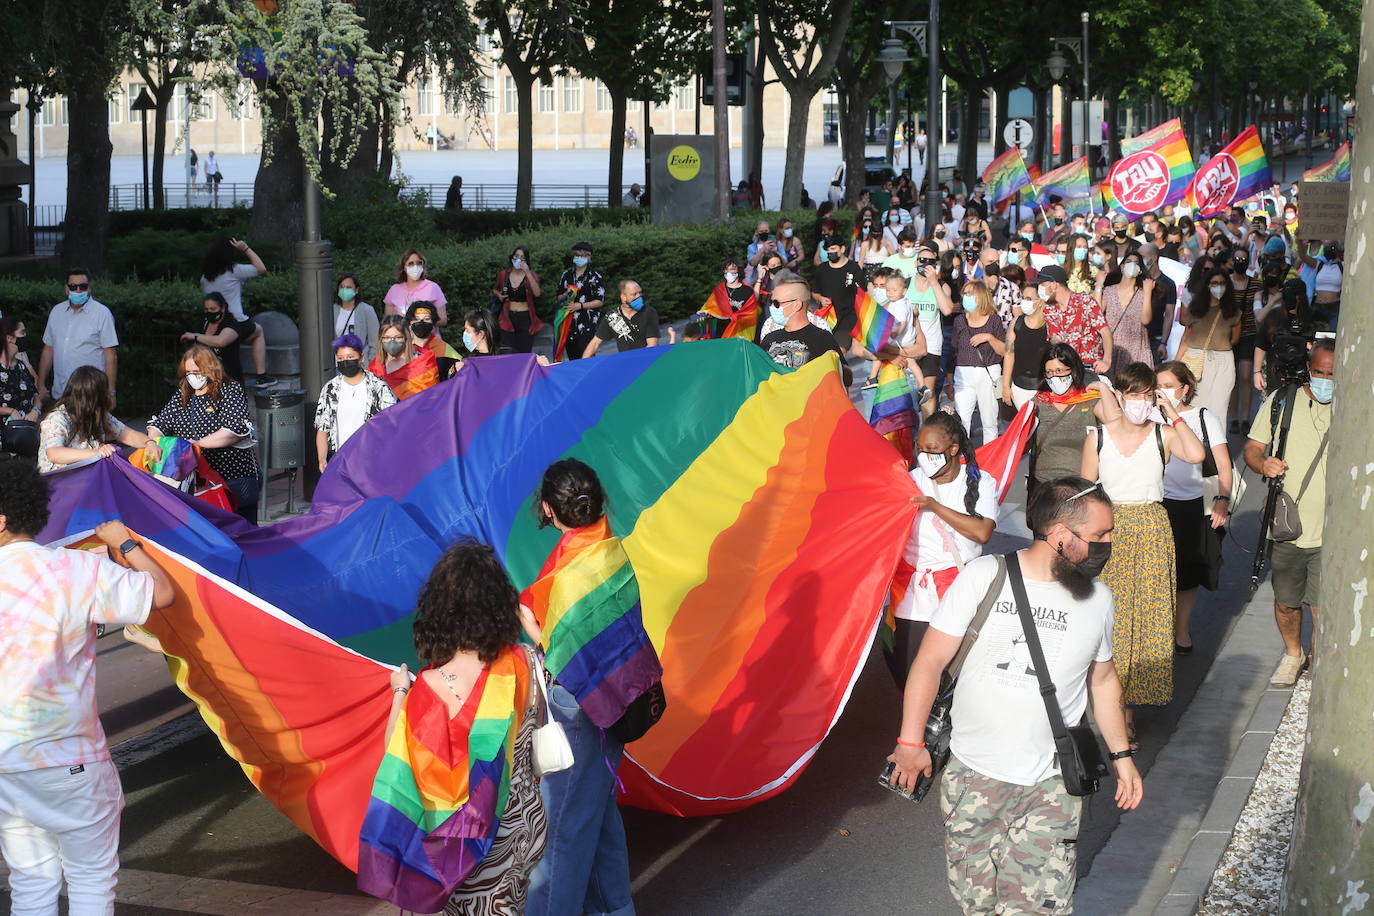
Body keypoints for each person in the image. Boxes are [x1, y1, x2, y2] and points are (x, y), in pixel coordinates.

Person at [887, 477, 1143, 914]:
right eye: (1100, 535)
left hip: (1053, 785)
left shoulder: (1099, 599)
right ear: (1061, 536)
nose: (1109, 543)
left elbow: (1102, 681)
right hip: (973, 779)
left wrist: (1122, 756)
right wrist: (910, 744)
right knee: (978, 903)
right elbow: (928, 662)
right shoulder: (984, 576)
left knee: (1040, 907)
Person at [0, 465, 175, 916]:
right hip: (72, 760)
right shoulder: (76, 569)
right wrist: (123, 542)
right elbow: (162, 594)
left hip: (7, 765)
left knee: (31, 884)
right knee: (92, 879)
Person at [366, 540, 545, 913]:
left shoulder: (428, 688)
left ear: (441, 612)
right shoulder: (525, 663)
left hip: (460, 847)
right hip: (520, 829)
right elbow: (540, 724)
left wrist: (400, 691)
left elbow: (394, 758)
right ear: (498, 605)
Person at [524, 460, 659, 916]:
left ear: (548, 509)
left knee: (562, 830)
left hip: (578, 706)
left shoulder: (568, 574)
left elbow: (563, 650)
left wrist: (534, 630)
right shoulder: (608, 550)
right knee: (597, 818)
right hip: (615, 701)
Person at [1081, 362, 1205, 741]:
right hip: (1110, 529)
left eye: (1146, 395)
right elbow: (1085, 494)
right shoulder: (1097, 438)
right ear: (1119, 395)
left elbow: (1197, 455)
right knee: (1109, 621)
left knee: (1144, 620)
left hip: (1151, 529)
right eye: (1132, 395)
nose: (1139, 402)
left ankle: (1126, 711)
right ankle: (1107, 702)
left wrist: (1171, 412)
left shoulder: (1162, 435)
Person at [1243, 341, 1334, 688]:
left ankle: (1321, 663)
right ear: (1309, 369)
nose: (1327, 380)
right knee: (1286, 600)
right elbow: (1252, 447)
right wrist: (1262, 463)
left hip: (1333, 529)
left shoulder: (1355, 403)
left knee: (1322, 604)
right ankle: (1294, 654)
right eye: (1321, 373)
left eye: (1334, 375)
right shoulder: (1283, 401)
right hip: (1289, 524)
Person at [887, 411, 997, 685]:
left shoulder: (981, 482)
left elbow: (982, 532)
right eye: (920, 449)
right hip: (911, 593)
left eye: (932, 450)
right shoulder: (908, 480)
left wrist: (934, 507)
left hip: (957, 590)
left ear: (953, 449)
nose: (924, 456)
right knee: (908, 671)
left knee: (953, 673)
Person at [1155, 362, 1232, 654]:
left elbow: (1224, 464)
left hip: (1192, 505)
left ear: (1184, 388)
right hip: (1156, 502)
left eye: (1167, 385)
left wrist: (1222, 500)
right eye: (1157, 385)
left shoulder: (1203, 417)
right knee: (1158, 570)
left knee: (1187, 572)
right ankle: (1160, 628)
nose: (1161, 391)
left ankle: (1181, 630)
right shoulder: (1146, 414)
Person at [147, 346, 261, 524]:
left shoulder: (229, 389)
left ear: (210, 368)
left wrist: (198, 444)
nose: (193, 377)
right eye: (188, 372)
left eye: (197, 371)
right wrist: (152, 442)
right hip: (198, 480)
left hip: (232, 474)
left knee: (242, 530)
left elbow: (235, 429)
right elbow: (160, 423)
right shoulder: (184, 393)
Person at [1028, 344, 1120, 498]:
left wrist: (1103, 389)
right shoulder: (1038, 403)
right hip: (1045, 486)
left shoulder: (1089, 400)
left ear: (1074, 370)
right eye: (1049, 372)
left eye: (1059, 371)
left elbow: (1117, 424)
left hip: (1081, 488)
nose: (1054, 377)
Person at [37, 366, 157, 473]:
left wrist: (149, 443)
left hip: (87, 477)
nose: (108, 395)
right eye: (104, 392)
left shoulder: (97, 414)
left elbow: (126, 434)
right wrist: (97, 453)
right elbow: (54, 453)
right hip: (58, 482)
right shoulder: (57, 419)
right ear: (92, 397)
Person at [313, 334, 396, 472]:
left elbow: (392, 424)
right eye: (340, 358)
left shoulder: (379, 387)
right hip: (340, 461)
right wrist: (322, 458)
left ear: (361, 358)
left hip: (372, 461)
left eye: (350, 357)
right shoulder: (330, 389)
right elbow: (322, 429)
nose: (345, 362)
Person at [36, 267, 118, 404]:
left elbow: (111, 355)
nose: (78, 290)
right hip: (61, 393)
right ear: (66, 289)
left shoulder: (102, 314)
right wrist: (40, 383)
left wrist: (111, 391)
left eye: (83, 286)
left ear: (89, 288)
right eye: (73, 286)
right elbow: (48, 349)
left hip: (91, 393)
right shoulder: (57, 312)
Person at [1173, 268, 1242, 427]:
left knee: (1219, 409)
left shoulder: (1233, 312)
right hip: (1195, 360)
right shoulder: (1196, 309)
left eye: (1223, 283)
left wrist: (1217, 347)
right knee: (1194, 405)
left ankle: (1215, 449)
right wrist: (1176, 363)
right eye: (1215, 283)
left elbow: (1235, 339)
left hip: (1223, 362)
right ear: (1207, 285)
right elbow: (1186, 338)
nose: (1219, 286)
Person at [198, 238, 271, 385]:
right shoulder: (234, 270)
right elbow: (261, 268)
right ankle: (261, 376)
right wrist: (245, 248)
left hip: (215, 325)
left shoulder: (204, 279)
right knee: (258, 332)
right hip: (236, 322)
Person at [760, 278, 851, 385]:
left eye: (776, 303)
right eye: (770, 302)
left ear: (796, 305)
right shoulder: (768, 338)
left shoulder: (821, 338)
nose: (771, 307)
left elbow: (847, 380)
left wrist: (834, 363)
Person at [951, 282, 1006, 446]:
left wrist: (989, 337)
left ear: (981, 296)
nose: (965, 297)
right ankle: (963, 459)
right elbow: (954, 349)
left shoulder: (994, 320)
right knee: (961, 421)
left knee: (989, 420)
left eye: (970, 293)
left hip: (988, 373)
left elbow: (1004, 350)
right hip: (963, 373)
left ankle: (990, 461)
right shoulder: (960, 320)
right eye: (964, 293)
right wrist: (948, 378)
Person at [1037, 265, 1113, 374]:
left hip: (1090, 370)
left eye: (1042, 284)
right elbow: (1055, 339)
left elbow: (1105, 332)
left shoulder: (1086, 301)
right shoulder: (1049, 309)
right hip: (1066, 372)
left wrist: (1106, 360)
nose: (1039, 288)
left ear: (1054, 285)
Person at [180, 292, 258, 382]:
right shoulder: (204, 323)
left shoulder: (232, 324)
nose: (209, 312)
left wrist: (196, 337)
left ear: (223, 308)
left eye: (213, 309)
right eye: (206, 309)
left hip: (228, 378)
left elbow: (221, 341)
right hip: (205, 378)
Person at [1101, 251, 1155, 375]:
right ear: (1122, 266)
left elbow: (1145, 320)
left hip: (1137, 351)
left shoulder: (1143, 293)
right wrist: (1099, 285)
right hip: (1113, 349)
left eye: (1136, 264)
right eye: (1129, 262)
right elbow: (1097, 314)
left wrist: (1148, 292)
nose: (1132, 266)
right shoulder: (1109, 291)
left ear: (1140, 270)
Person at [367, 315, 439, 401]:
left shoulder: (424, 363)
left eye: (398, 337)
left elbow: (430, 400)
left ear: (406, 337)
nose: (392, 342)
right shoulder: (375, 367)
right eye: (386, 338)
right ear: (380, 339)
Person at [1001, 284, 1049, 410]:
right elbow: (1009, 354)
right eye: (1023, 298)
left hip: (1044, 388)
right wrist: (1006, 386)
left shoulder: (1050, 324)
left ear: (1040, 301)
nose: (1024, 302)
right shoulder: (1016, 322)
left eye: (1028, 299)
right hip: (1019, 388)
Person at [581, 281, 660, 357]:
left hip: (648, 360)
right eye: (634, 294)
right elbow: (595, 343)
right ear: (623, 297)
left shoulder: (648, 312)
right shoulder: (612, 317)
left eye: (640, 292)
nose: (639, 296)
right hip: (627, 362)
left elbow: (652, 345)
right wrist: (583, 364)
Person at [813, 234, 866, 345]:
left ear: (842, 249)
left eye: (833, 249)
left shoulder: (853, 268)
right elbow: (814, 293)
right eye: (828, 250)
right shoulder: (821, 269)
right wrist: (821, 299)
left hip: (848, 317)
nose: (830, 252)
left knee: (840, 350)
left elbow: (862, 293)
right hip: (827, 317)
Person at [556, 243, 605, 361]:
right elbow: (558, 297)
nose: (579, 258)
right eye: (577, 255)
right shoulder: (566, 275)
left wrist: (580, 306)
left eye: (583, 256)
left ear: (589, 258)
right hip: (568, 323)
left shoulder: (595, 276)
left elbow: (600, 301)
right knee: (573, 358)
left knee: (587, 358)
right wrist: (565, 294)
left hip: (587, 323)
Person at [492, 245, 545, 354]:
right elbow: (495, 289)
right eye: (516, 256)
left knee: (524, 351)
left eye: (522, 257)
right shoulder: (504, 274)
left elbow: (537, 293)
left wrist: (527, 272)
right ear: (512, 257)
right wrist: (499, 295)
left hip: (525, 317)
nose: (518, 259)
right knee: (507, 351)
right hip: (507, 317)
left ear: (526, 260)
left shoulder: (531, 275)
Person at [384, 249, 448, 326]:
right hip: (402, 336)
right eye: (411, 264)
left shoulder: (433, 287)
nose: (415, 266)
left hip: (429, 337)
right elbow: (387, 322)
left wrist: (424, 321)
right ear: (404, 267)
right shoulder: (394, 290)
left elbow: (443, 320)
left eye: (419, 263)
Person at [0, 316, 40, 429]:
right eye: (22, 333)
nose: (25, 336)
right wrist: (10, 411)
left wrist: (35, 411)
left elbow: (36, 396)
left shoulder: (22, 366)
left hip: (25, 434)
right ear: (10, 338)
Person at [332, 273, 380, 363]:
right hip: (336, 365)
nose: (344, 290)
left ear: (356, 290)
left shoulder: (367, 310)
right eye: (342, 287)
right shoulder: (332, 310)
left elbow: (375, 343)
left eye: (348, 287)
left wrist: (370, 364)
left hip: (361, 365)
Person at [406, 302, 461, 380]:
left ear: (433, 322)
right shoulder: (403, 348)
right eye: (416, 319)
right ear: (409, 323)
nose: (421, 322)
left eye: (427, 319)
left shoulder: (444, 349)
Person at [1298, 239, 1343, 329]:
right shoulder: (1319, 264)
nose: (1329, 249)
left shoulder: (1342, 266)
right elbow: (1303, 256)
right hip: (1318, 308)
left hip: (1334, 308)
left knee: (1333, 336)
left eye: (1332, 247)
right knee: (1314, 335)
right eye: (1326, 247)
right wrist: (1299, 241)